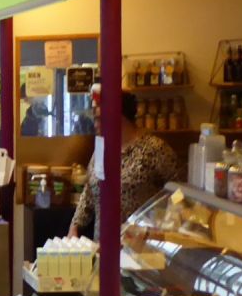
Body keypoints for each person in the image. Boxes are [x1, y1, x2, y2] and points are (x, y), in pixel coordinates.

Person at [70, 90, 181, 238]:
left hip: (139, 249)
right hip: (103, 246)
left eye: (99, 119)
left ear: (117, 117)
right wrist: (75, 226)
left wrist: (165, 227)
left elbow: (179, 192)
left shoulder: (154, 149)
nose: (95, 124)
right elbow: (90, 192)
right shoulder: (101, 149)